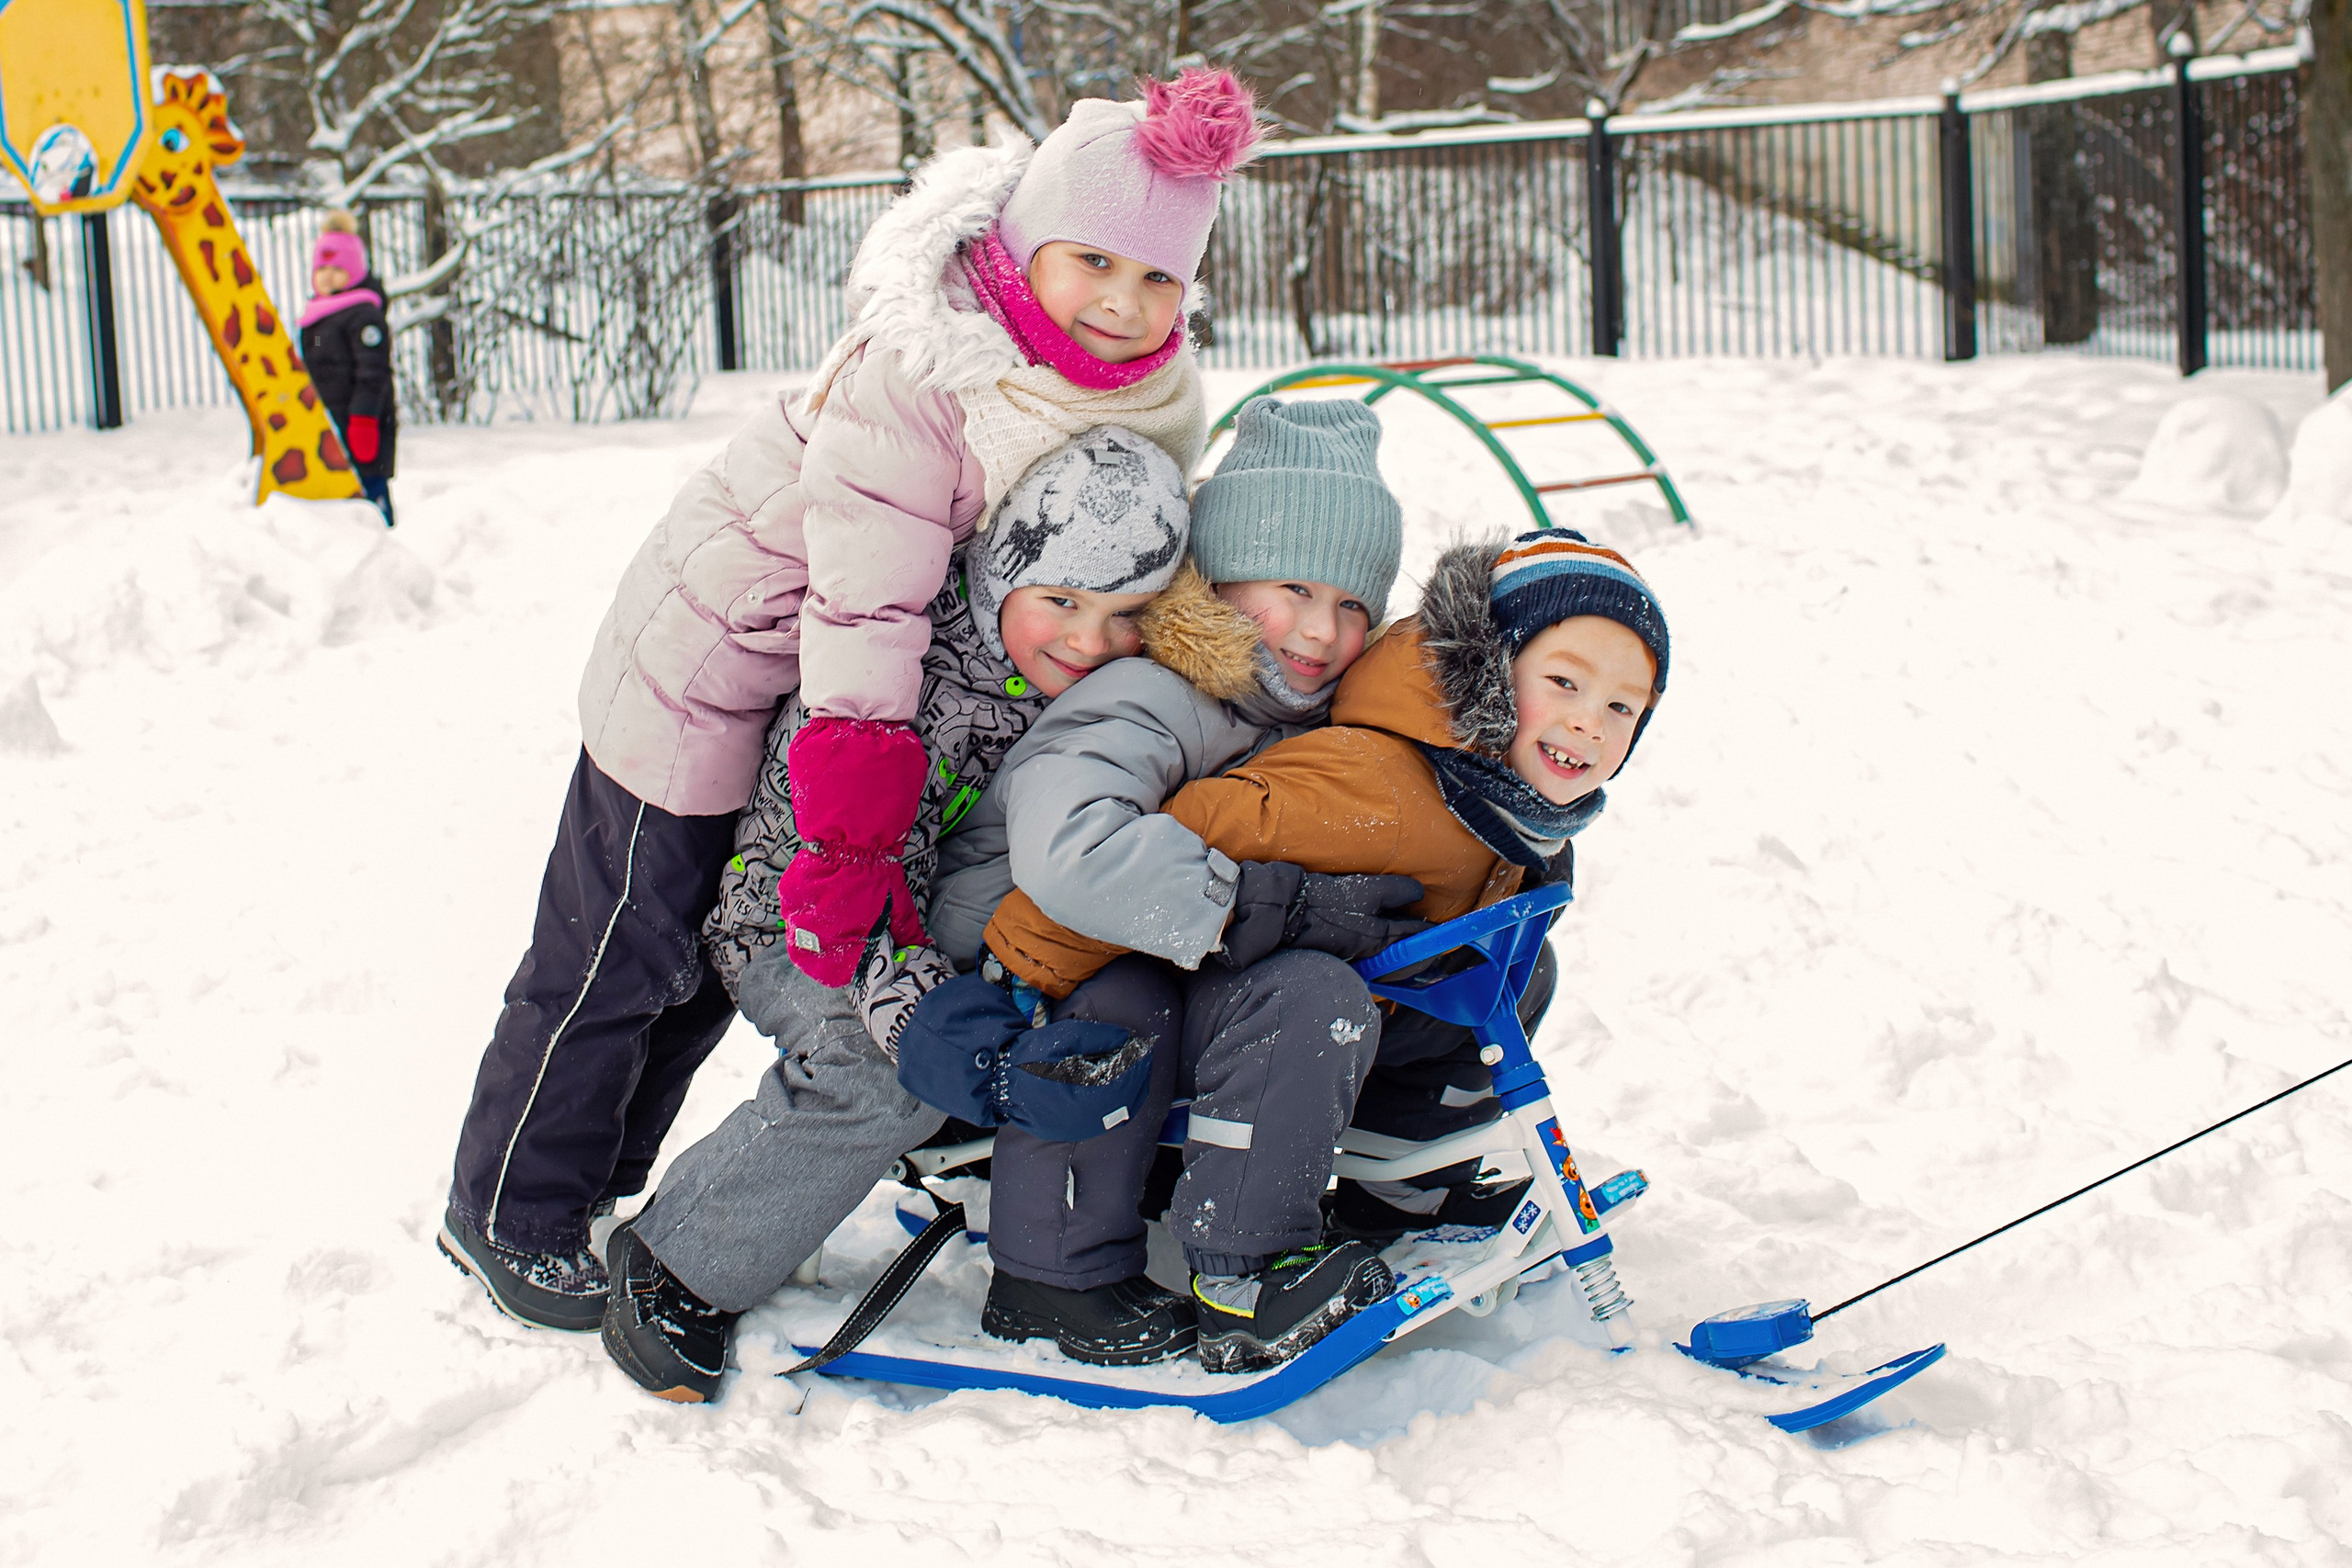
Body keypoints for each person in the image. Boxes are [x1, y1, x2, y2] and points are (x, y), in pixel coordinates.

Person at [436, 71, 1261, 1332]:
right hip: (719, 661)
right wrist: (860, 840)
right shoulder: (928, 372)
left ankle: (604, 1175)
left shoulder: (1110, 383)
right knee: (626, 945)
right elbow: (872, 616)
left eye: (1159, 278)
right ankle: (508, 1207)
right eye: (1092, 259)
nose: (1123, 299)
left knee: (697, 976)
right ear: (1022, 247)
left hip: (819, 694)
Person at [922, 525, 1670, 1373]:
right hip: (1154, 978)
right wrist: (1021, 967)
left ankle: (1404, 1189)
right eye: (1563, 683)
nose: (1589, 721)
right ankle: (1246, 1276)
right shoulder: (1374, 780)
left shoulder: (1508, 799)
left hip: (1290, 986)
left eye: (1622, 706)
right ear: (1489, 674)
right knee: (1313, 1001)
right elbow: (1195, 828)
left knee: (1505, 968)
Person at [597, 427, 1193, 1401]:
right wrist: (924, 1020)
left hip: (935, 923)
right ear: (1004, 576)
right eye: (1062, 603)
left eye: (1126, 614)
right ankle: (679, 1262)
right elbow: (846, 889)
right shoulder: (893, 673)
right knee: (883, 1078)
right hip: (799, 920)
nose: (1090, 640)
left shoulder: (1079, 685)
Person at [900, 394, 1412, 1369]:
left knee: (1307, 995)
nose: (1318, 630)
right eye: (1291, 588)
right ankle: (1051, 1276)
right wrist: (1259, 902)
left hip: (1158, 940)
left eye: (1352, 605)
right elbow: (1075, 858)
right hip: (1018, 966)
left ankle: (1261, 1247)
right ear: (1217, 582)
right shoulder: (1150, 692)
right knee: (1124, 1003)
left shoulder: (1295, 718)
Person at [297, 211, 397, 527]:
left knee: (369, 492)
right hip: (330, 423)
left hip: (360, 423)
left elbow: (374, 372)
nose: (327, 276)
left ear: (353, 270)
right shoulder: (316, 317)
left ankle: (387, 539)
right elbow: (311, 368)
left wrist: (364, 419)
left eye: (337, 269)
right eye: (321, 269)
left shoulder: (363, 315)